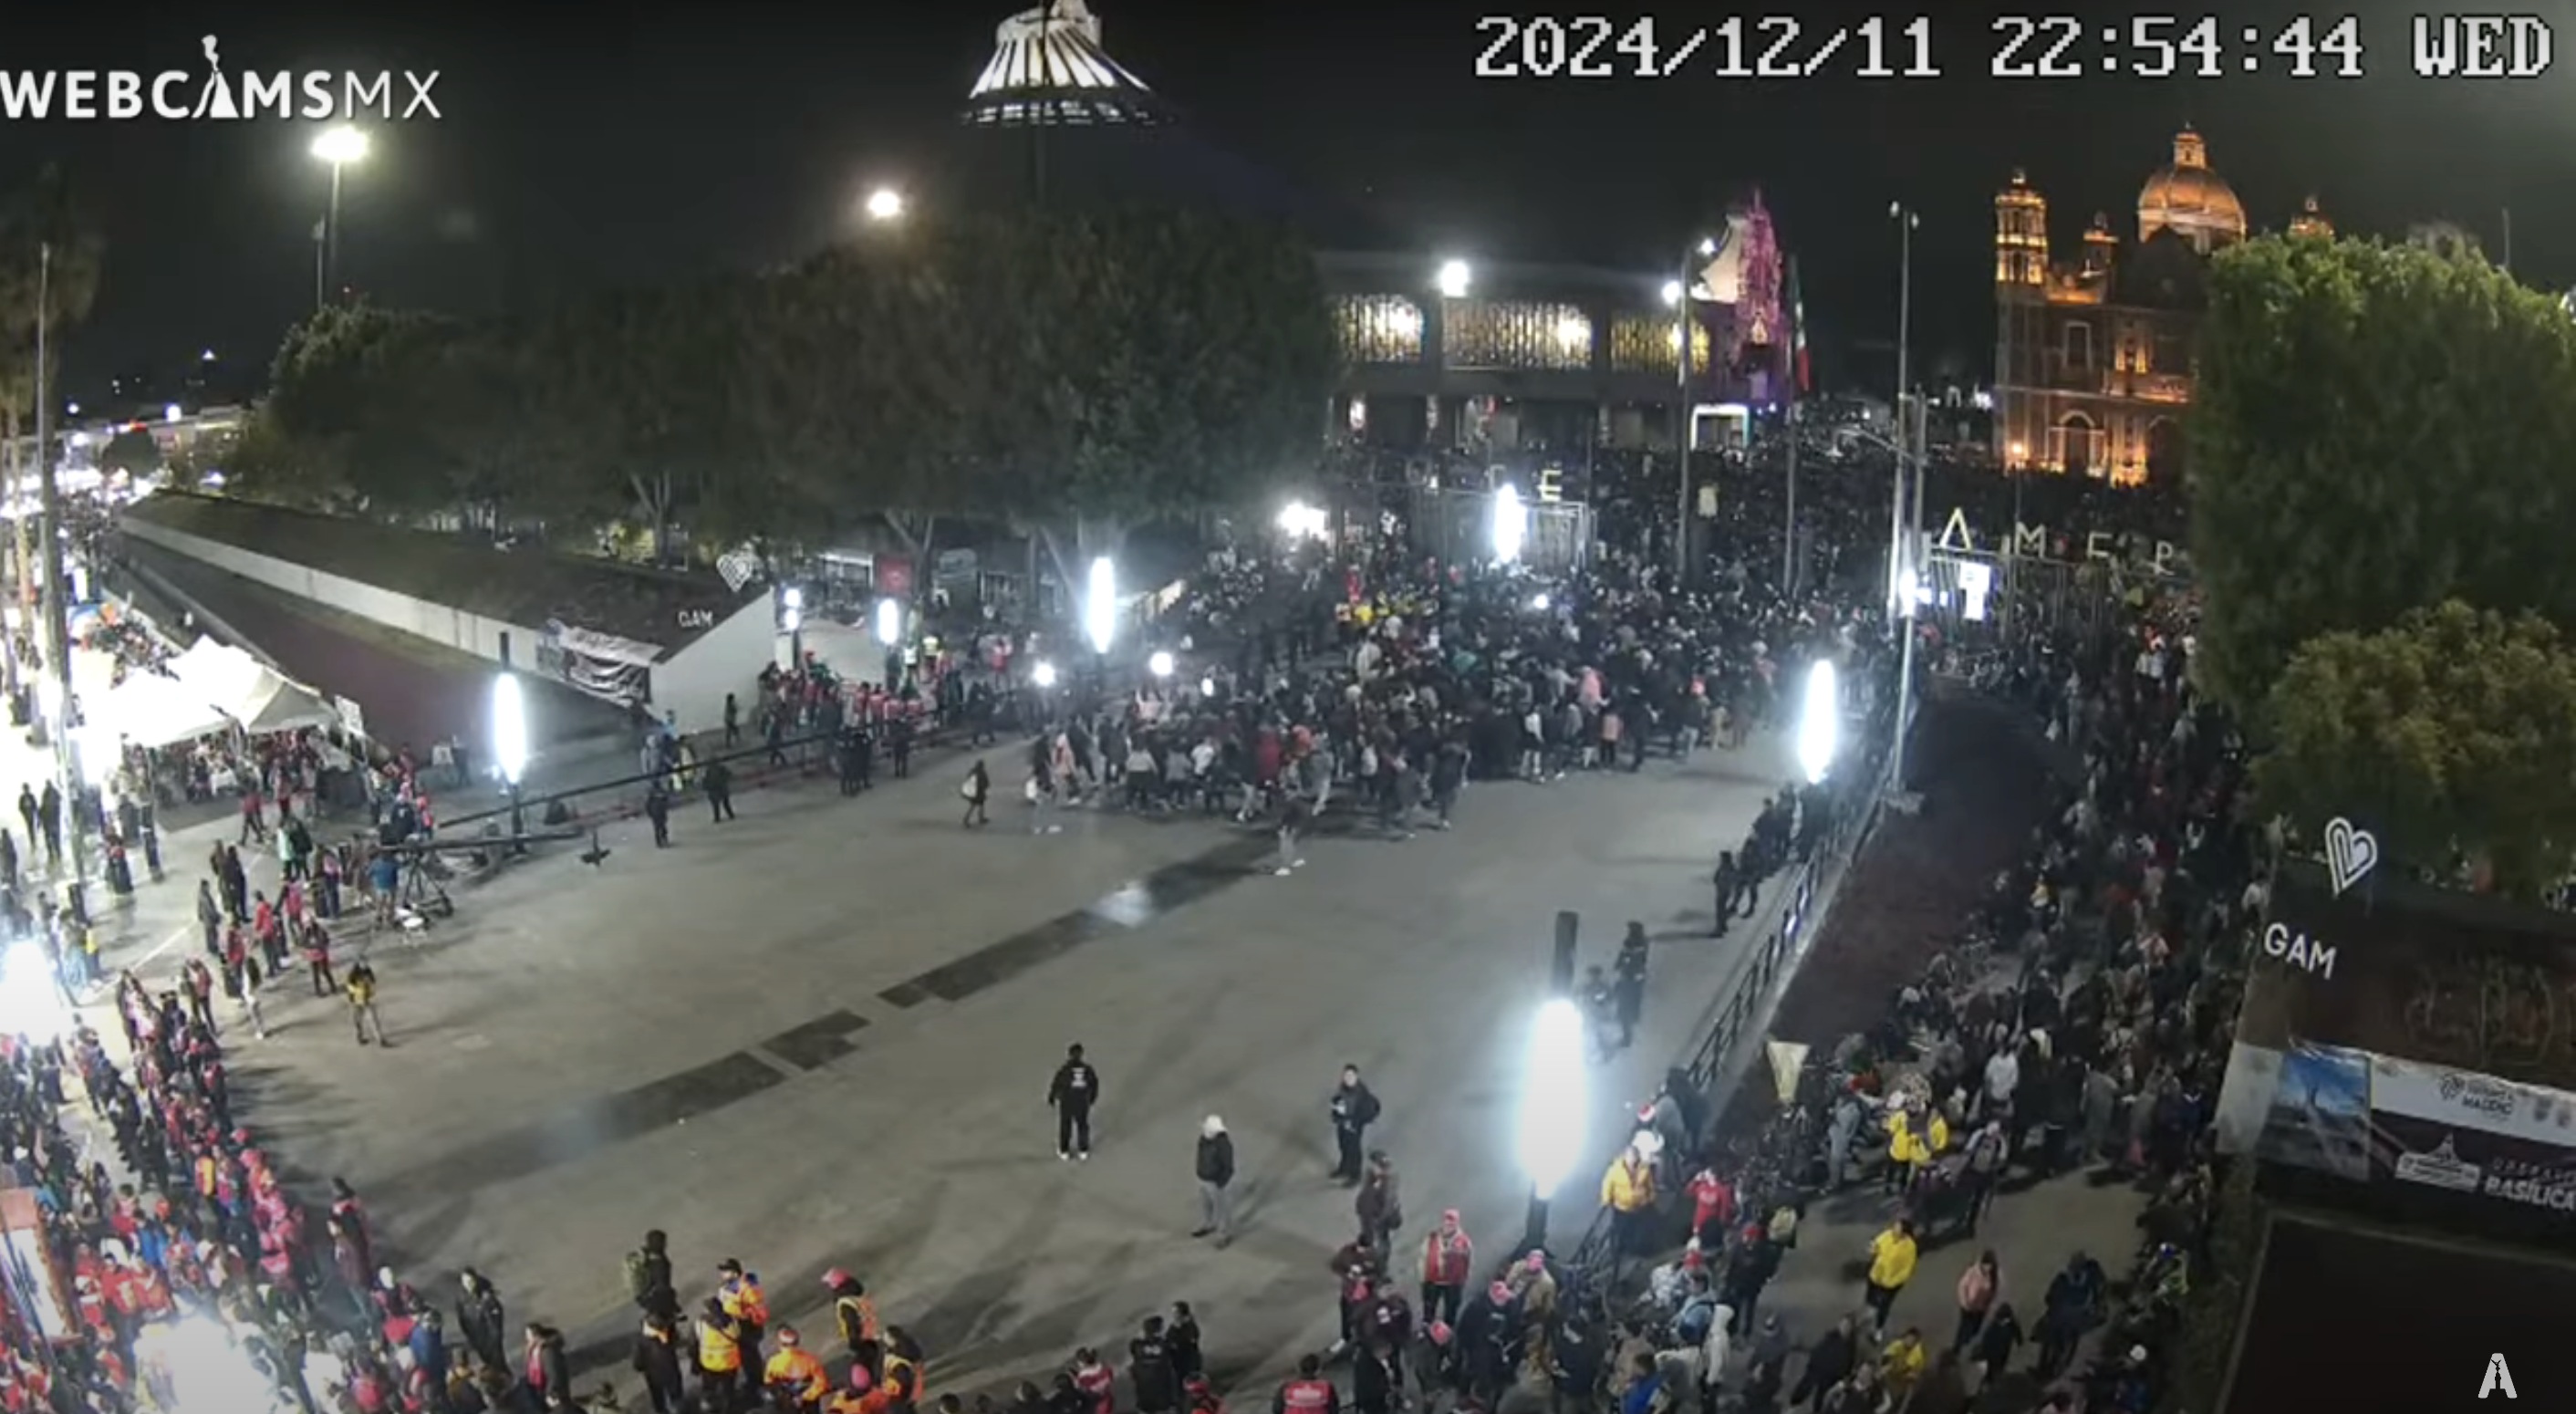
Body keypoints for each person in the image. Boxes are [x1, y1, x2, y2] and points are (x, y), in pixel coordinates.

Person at [1863, 1218, 1917, 1336]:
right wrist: (1872, 1248)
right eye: (1895, 1225)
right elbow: (1877, 1245)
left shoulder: (1910, 1247)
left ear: (1904, 1232)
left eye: (1897, 1227)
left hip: (1890, 1284)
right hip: (1877, 1275)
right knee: (1870, 1293)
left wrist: (1893, 1282)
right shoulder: (1887, 1235)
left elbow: (1907, 1270)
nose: (1894, 1227)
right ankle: (1871, 1309)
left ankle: (1878, 1329)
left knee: (1884, 1306)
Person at [1048, 1044, 1101, 1160]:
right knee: (1082, 1125)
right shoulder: (1087, 1069)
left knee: (1065, 1126)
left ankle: (1064, 1150)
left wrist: (1052, 1097)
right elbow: (1094, 1084)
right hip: (1081, 1102)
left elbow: (1057, 1084)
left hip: (1067, 1102)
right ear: (1081, 1055)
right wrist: (1092, 1098)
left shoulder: (1065, 1069)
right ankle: (1083, 1150)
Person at [1329, 1066, 1380, 1184]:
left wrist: (1353, 1123)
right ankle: (1344, 1168)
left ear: (1356, 1077)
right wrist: (1336, 1116)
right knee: (1343, 1147)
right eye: (1346, 1075)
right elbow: (1338, 1103)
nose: (1348, 1078)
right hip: (1342, 1124)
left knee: (1354, 1150)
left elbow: (1364, 1111)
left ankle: (1355, 1175)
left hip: (1354, 1127)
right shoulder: (1343, 1088)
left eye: (1350, 1076)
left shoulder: (1361, 1093)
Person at [765, 1326, 831, 1413]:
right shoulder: (810, 1360)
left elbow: (769, 1384)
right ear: (797, 1342)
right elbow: (821, 1383)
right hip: (808, 1402)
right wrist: (804, 1397)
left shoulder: (773, 1363)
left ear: (779, 1344)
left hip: (787, 1404)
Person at [1193, 1115, 1235, 1242]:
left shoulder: (1223, 1144)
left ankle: (1223, 1235)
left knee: (1220, 1209)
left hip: (1215, 1181)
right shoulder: (1203, 1140)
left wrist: (1222, 1181)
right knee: (1205, 1205)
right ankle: (1207, 1224)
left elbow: (1228, 1166)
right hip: (1203, 1178)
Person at [1273, 1354, 1338, 1414]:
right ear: (1318, 1370)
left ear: (1299, 1369)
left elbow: (1277, 1409)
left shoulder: (1287, 1386)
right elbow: (1333, 1410)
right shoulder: (1327, 1387)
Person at [347, 957, 386, 1046]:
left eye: (366, 963)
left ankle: (380, 1040)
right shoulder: (353, 974)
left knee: (373, 1020)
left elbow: (373, 983)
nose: (365, 964)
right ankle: (359, 1037)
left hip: (366, 999)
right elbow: (350, 987)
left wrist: (370, 992)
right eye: (363, 963)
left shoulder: (368, 971)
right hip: (356, 1001)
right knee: (357, 1020)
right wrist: (360, 991)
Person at [706, 758, 736, 823]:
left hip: (719, 789)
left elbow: (728, 774)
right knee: (718, 804)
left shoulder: (719, 769)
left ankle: (727, 815)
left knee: (724, 803)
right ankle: (720, 817)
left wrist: (722, 780)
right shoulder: (709, 771)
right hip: (715, 789)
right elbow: (706, 780)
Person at [962, 761, 992, 828]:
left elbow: (968, 779)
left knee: (976, 805)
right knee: (977, 805)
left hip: (972, 792)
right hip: (979, 792)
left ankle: (978, 817)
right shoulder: (982, 773)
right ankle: (968, 819)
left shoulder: (972, 771)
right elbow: (986, 782)